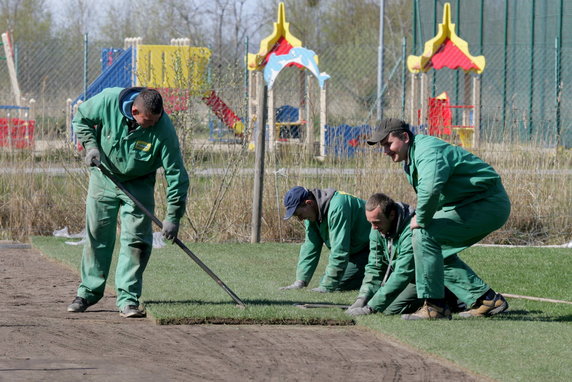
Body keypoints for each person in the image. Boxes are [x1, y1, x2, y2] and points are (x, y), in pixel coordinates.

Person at [366, 118, 511, 320]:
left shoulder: (427, 151)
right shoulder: (412, 157)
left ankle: (435, 306)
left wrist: (422, 219)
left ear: (405, 137)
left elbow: (431, 190)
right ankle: (486, 300)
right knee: (432, 250)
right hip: (470, 203)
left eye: (388, 144)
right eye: (382, 146)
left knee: (423, 234)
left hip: (487, 203)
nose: (386, 151)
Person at [67, 87, 189, 318]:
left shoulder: (164, 129)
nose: (153, 125)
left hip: (139, 184)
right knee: (97, 235)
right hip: (104, 177)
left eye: (156, 119)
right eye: (148, 120)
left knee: (136, 241)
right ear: (134, 111)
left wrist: (173, 216)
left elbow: (176, 175)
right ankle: (88, 293)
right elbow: (80, 118)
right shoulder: (108, 101)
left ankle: (128, 299)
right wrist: (91, 145)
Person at [346, 192, 497, 318]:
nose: (373, 227)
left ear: (392, 215)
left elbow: (402, 273)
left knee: (389, 309)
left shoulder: (411, 232)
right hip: (411, 278)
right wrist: (363, 298)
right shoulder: (376, 229)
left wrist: (370, 307)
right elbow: (375, 266)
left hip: (418, 276)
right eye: (370, 222)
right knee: (386, 306)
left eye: (377, 222)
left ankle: (448, 296)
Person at [279, 186, 370, 292]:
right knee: (328, 281)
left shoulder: (338, 207)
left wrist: (326, 287)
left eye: (299, 214)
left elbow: (339, 251)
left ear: (309, 203)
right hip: (355, 252)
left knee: (336, 285)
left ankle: (384, 273)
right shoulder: (312, 214)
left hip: (371, 249)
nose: (300, 219)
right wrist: (300, 281)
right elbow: (311, 246)